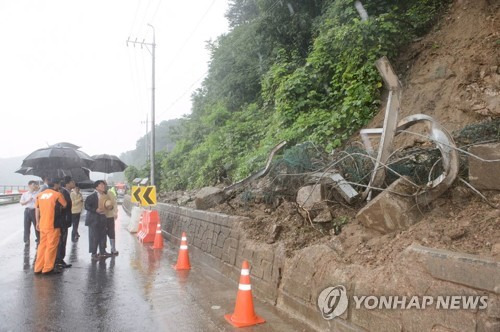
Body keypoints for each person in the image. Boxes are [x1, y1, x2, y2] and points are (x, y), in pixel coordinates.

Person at [34, 178, 67, 275]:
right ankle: (47, 268)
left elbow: (37, 209)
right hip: (53, 224)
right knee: (51, 246)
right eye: (59, 185)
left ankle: (38, 267)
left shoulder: (39, 195)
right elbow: (65, 205)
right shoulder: (57, 194)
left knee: (42, 246)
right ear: (56, 185)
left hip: (42, 224)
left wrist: (37, 222)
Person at [85, 180, 111, 261]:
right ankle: (94, 253)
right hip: (94, 219)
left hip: (103, 218)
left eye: (104, 185)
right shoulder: (91, 196)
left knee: (103, 235)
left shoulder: (106, 196)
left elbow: (110, 205)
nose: (103, 187)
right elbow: (86, 206)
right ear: (96, 187)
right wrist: (95, 210)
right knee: (94, 236)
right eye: (101, 185)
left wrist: (110, 207)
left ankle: (102, 251)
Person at [56, 177, 74, 268]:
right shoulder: (62, 192)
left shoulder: (66, 192)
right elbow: (63, 207)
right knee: (61, 241)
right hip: (62, 221)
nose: (74, 183)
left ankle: (60, 259)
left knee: (62, 240)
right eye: (72, 182)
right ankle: (59, 260)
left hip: (64, 220)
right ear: (67, 183)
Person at [20, 180, 40, 246]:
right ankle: (26, 240)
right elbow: (22, 203)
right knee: (26, 226)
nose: (34, 186)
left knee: (36, 225)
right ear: (29, 185)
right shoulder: (25, 194)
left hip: (35, 211)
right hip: (27, 211)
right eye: (33, 185)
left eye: (35, 185)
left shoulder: (38, 193)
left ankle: (38, 238)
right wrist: (28, 200)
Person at [104, 181, 119, 255]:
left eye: (105, 184)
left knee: (111, 233)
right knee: (102, 233)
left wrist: (115, 212)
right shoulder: (98, 194)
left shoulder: (110, 193)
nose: (104, 186)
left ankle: (113, 248)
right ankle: (102, 249)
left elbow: (115, 203)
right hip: (101, 217)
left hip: (110, 216)